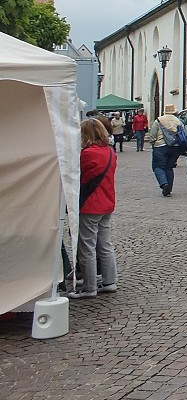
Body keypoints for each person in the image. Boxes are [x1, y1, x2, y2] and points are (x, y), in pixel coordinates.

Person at [69, 118, 118, 298]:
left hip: (90, 204)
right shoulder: (111, 152)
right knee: (105, 245)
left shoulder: (87, 154)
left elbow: (77, 176)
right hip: (107, 202)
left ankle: (89, 288)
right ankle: (109, 281)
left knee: (87, 247)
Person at [146, 104, 184, 197]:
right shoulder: (178, 121)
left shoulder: (159, 120)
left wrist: (153, 143)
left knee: (158, 167)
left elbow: (153, 134)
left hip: (160, 146)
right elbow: (183, 134)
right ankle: (169, 188)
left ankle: (164, 184)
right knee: (169, 167)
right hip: (175, 147)